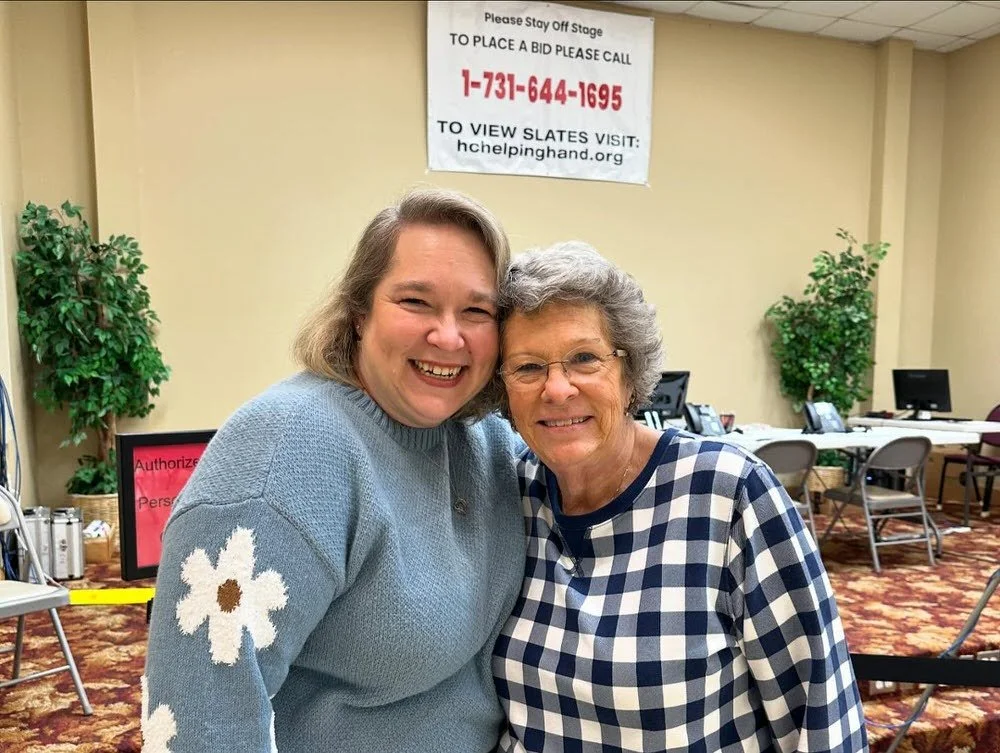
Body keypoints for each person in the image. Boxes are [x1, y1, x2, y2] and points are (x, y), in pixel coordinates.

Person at [142, 188, 527, 752]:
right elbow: (202, 719)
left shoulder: (485, 438)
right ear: (358, 314)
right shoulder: (287, 448)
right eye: (415, 302)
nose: (449, 336)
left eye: (476, 311)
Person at [491, 241, 867, 753]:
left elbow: (820, 714)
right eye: (528, 367)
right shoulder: (510, 494)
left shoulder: (728, 493)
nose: (557, 389)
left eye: (584, 358)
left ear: (629, 374)